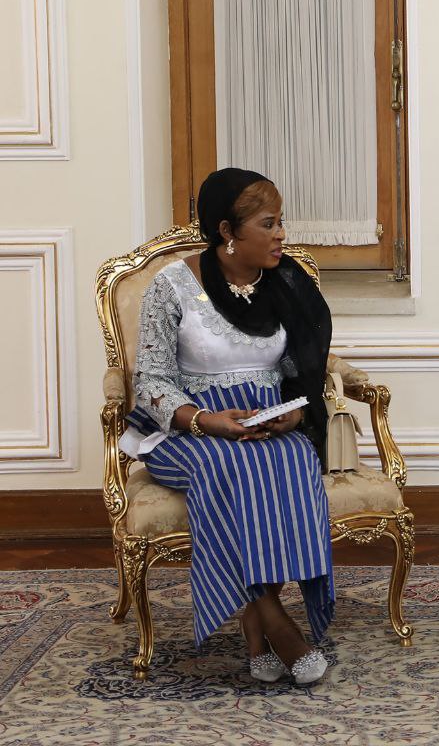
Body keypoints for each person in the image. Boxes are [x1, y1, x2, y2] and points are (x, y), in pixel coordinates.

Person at [121, 168, 335, 684]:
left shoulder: (286, 284)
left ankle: (255, 631)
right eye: (269, 224)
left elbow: (300, 370)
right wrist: (203, 420)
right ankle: (279, 624)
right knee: (226, 467)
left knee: (295, 458)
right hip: (186, 429)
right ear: (227, 231)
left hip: (264, 424)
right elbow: (150, 379)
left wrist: (294, 414)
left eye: (280, 222)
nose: (281, 234)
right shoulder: (172, 286)